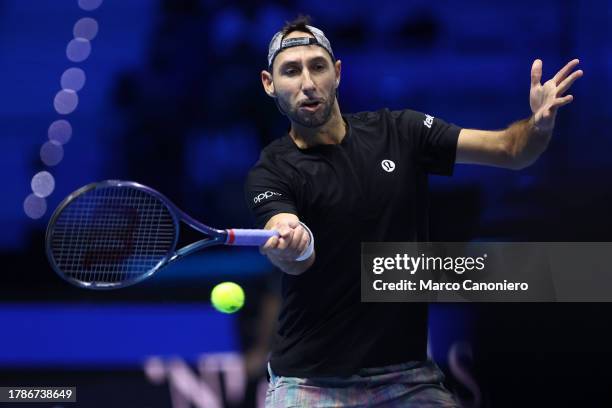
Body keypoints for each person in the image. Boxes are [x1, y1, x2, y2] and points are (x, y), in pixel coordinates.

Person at [244, 16, 582, 407]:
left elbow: (510, 149)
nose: (307, 83)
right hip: (309, 382)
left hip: (407, 379)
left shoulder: (400, 132)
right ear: (269, 84)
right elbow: (288, 240)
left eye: (317, 66)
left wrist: (537, 128)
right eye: (291, 71)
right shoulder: (272, 169)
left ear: (336, 73)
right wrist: (292, 242)